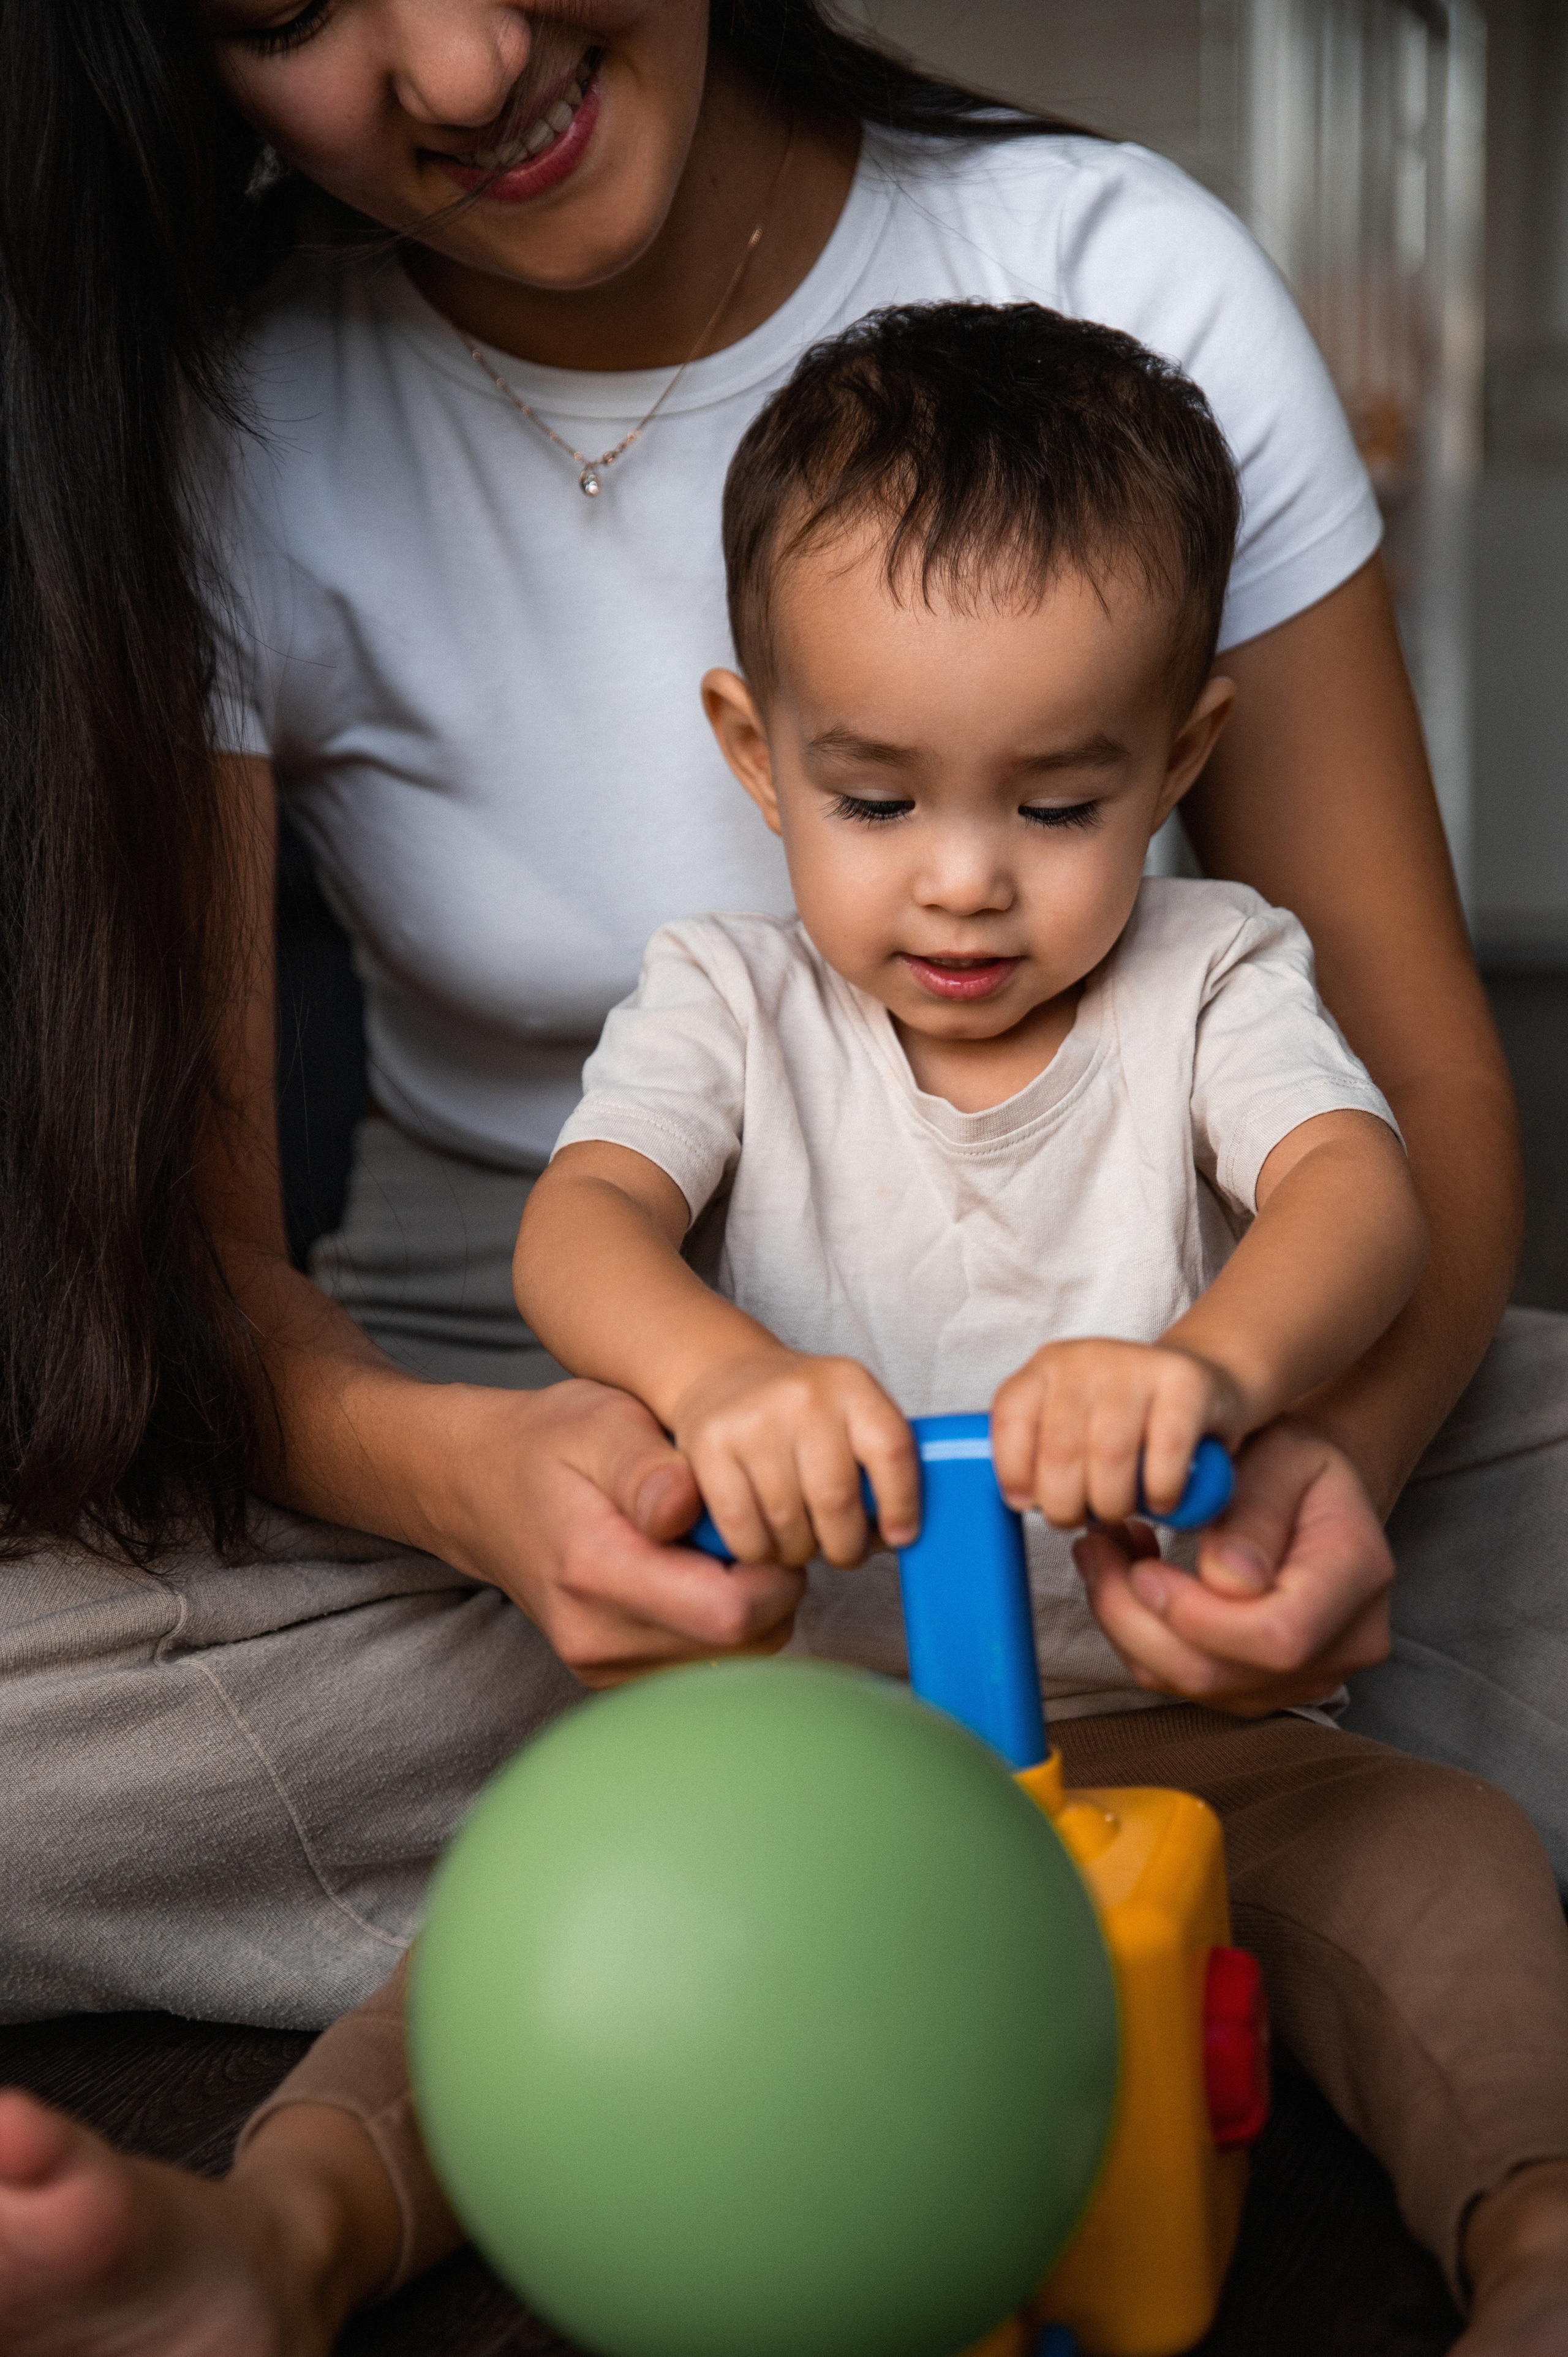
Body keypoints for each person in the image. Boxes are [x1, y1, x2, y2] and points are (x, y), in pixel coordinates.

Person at [0, 0, 1563, 2348]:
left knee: (1434, 1852)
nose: (965, 890)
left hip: (1161, 1659)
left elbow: (1379, 1169)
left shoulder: (1215, 949)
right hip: (647, 1603)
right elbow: (578, 1230)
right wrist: (663, 1416)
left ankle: (1537, 2239)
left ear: (1175, 758)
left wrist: (1273, 1422)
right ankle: (275, 2242)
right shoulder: (723, 984)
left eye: (1056, 807)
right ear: (752, 752)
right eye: (290, 9)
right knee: (549, 1883)